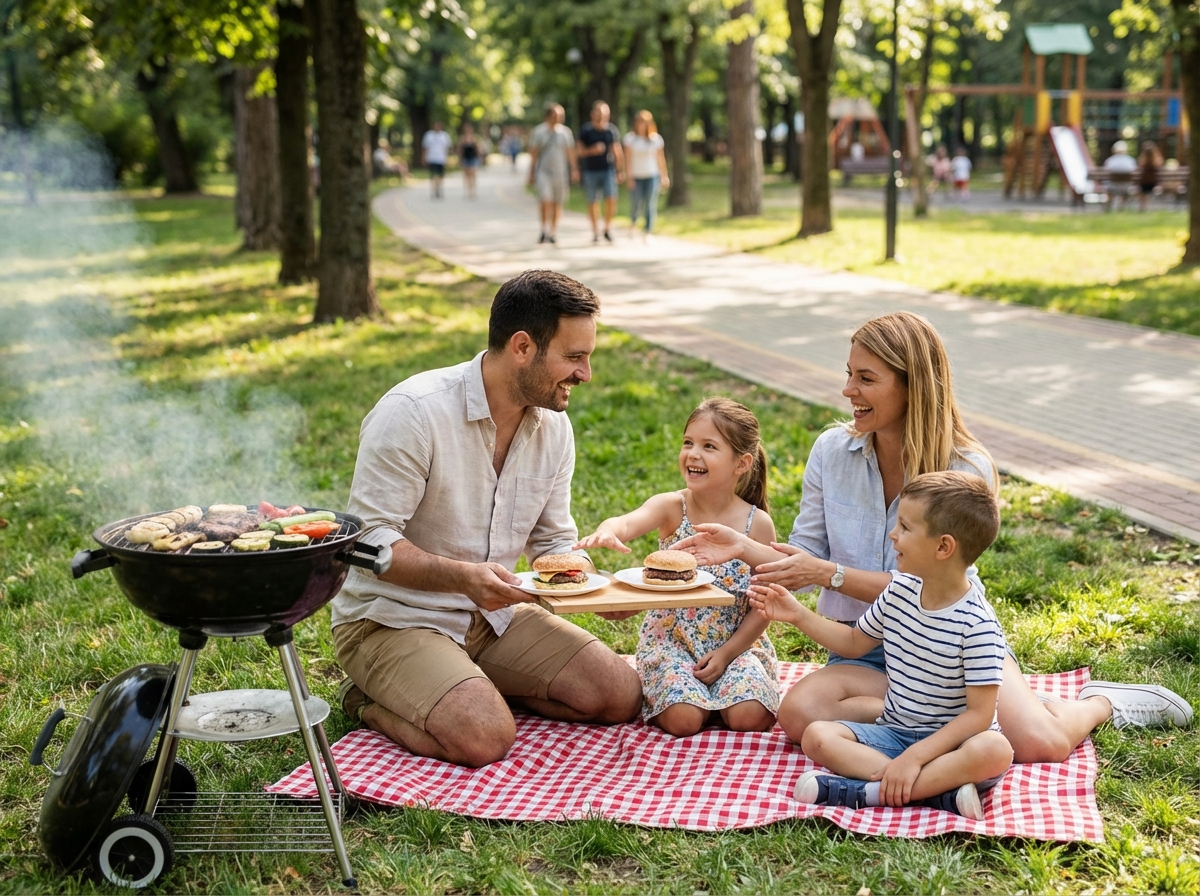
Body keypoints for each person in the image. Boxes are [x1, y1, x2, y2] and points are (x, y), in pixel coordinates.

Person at [675, 311, 1193, 765]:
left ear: (911, 385)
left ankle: (1098, 702)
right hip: (861, 648)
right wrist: (745, 548)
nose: (848, 391)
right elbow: (804, 560)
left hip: (948, 649)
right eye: (848, 375)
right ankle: (941, 726)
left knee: (1041, 744)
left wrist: (828, 573)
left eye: (866, 378)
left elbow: (929, 588)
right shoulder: (832, 452)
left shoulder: (966, 468)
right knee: (799, 714)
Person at [332, 270, 643, 768]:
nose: (586, 374)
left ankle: (463, 683)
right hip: (392, 619)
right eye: (574, 357)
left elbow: (552, 545)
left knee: (620, 694)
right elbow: (365, 544)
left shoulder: (554, 428)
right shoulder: (413, 412)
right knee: (485, 737)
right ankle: (364, 699)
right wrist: (463, 579)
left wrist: (597, 590)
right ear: (522, 347)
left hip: (495, 619)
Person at [750, 471, 1014, 820]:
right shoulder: (900, 590)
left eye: (905, 527)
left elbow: (979, 716)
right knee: (818, 735)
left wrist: (915, 758)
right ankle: (939, 793)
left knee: (995, 749)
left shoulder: (977, 624)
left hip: (954, 747)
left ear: (943, 547)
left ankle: (868, 792)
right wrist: (798, 615)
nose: (893, 534)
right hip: (895, 733)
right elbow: (853, 643)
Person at [574, 398, 779, 737]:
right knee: (684, 720)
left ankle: (723, 698)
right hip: (672, 644)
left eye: (709, 446)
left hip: (737, 645)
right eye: (688, 443)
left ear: (742, 463)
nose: (693, 454)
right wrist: (609, 530)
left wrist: (727, 655)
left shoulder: (757, 524)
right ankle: (697, 700)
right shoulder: (672, 507)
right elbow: (628, 522)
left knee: (749, 718)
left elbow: (765, 604)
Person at [527, 104, 578, 245]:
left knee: (557, 202)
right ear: (548, 116)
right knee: (545, 200)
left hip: (560, 173)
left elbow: (570, 152)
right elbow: (534, 153)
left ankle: (553, 231)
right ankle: (544, 229)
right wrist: (531, 172)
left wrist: (574, 169)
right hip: (543, 172)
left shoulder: (565, 133)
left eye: (561, 115)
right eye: (556, 115)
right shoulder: (539, 132)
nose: (559, 118)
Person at [578, 101, 625, 243]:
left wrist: (620, 170)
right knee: (592, 201)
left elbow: (617, 150)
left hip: (608, 170)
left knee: (611, 198)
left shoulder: (611, 131)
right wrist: (593, 150)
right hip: (590, 171)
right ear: (593, 114)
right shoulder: (586, 131)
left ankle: (607, 228)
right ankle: (595, 230)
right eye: (599, 113)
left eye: (605, 113)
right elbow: (579, 152)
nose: (602, 116)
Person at [623, 110, 670, 240]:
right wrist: (629, 176)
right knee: (636, 203)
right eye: (639, 122)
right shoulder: (630, 139)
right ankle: (633, 223)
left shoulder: (656, 139)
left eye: (645, 122)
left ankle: (647, 231)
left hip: (652, 175)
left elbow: (660, 159)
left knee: (650, 204)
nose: (642, 125)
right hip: (636, 176)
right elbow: (627, 160)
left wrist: (664, 176)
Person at [1103, 140, 1138, 210]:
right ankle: (1122, 207)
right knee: (1125, 188)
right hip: (1127, 186)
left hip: (1113, 187)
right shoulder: (1130, 161)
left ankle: (1107, 208)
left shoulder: (1110, 161)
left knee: (1109, 189)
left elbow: (1105, 175)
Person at [421, 121, 453, 199]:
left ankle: (439, 188)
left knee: (440, 175)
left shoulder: (444, 136)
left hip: (441, 158)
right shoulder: (428, 135)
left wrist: (447, 158)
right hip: (432, 158)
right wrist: (424, 157)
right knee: (432, 175)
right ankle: (434, 190)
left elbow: (447, 148)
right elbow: (425, 148)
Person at [1136, 140, 1163, 212]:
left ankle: (1143, 207)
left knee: (1141, 191)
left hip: (1144, 184)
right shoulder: (1157, 160)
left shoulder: (1143, 161)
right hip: (1155, 183)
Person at [458, 123, 481, 199]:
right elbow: (460, 150)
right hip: (465, 158)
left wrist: (480, 157)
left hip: (473, 158)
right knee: (466, 176)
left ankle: (473, 190)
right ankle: (468, 190)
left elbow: (478, 150)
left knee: (473, 175)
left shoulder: (474, 139)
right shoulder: (462, 139)